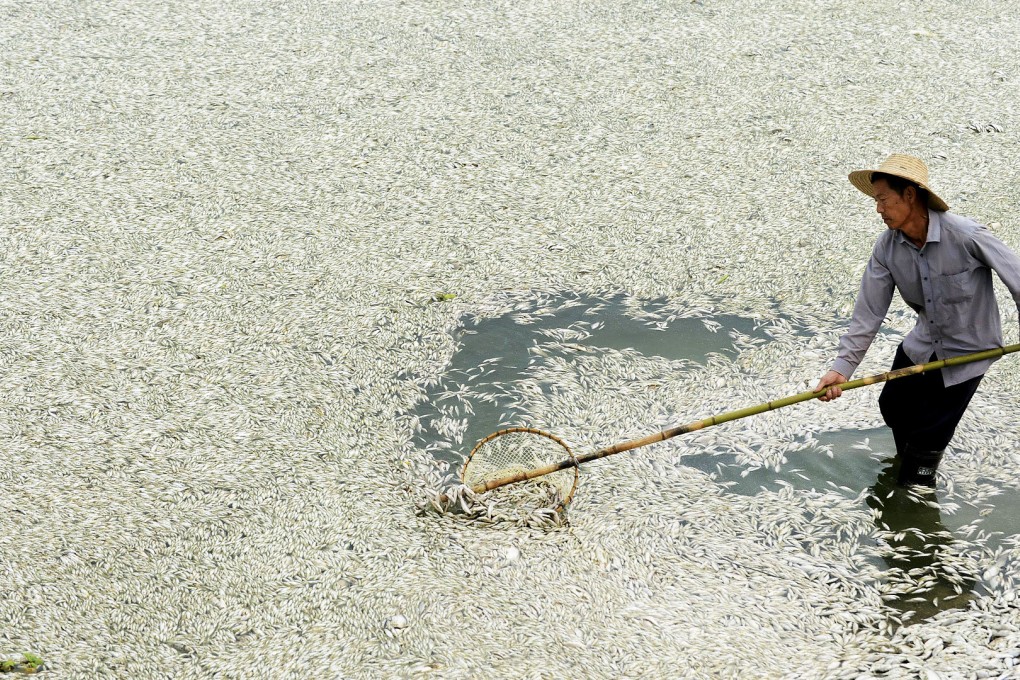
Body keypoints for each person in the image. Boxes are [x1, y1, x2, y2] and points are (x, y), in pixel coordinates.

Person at [815, 154, 1020, 487]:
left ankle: (917, 481)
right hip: (923, 345)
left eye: (883, 199)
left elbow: (1018, 279)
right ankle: (908, 465)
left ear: (909, 195)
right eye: (876, 200)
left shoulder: (967, 235)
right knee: (893, 405)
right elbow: (868, 313)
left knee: (928, 436)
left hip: (970, 352)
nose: (878, 209)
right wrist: (840, 370)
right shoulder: (886, 248)